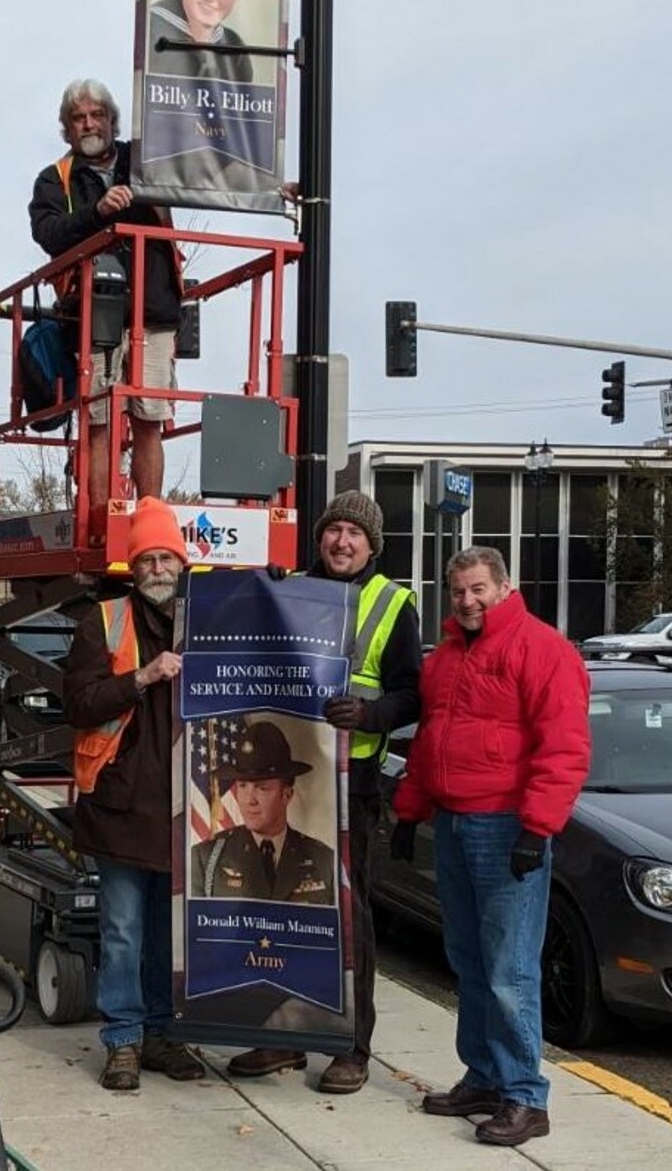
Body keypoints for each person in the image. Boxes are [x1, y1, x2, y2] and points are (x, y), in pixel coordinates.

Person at [390, 547, 590, 1148]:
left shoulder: (543, 650)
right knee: (469, 962)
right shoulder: (446, 658)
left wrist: (538, 828)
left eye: (478, 589)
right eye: (458, 591)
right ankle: (482, 1077)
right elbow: (430, 742)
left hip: (506, 829)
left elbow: (565, 747)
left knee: (509, 971)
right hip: (453, 825)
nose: (468, 601)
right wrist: (410, 811)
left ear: (505, 587)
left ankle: (525, 1095)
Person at [227, 491, 422, 1095]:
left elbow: (413, 694)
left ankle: (350, 1046)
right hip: (292, 776)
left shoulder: (393, 603)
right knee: (281, 911)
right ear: (320, 538)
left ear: (372, 544)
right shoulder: (291, 591)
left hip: (352, 784)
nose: (342, 541)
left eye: (354, 533)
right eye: (333, 530)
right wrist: (263, 595)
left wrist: (368, 714)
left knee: (348, 916)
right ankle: (286, 1036)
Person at [61, 496, 204, 1092]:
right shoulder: (104, 620)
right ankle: (123, 1040)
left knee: (167, 934)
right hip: (121, 805)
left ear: (181, 560)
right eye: (146, 559)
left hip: (186, 806)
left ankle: (164, 1034)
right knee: (122, 928)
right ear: (132, 566)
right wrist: (142, 677)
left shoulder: (207, 618)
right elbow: (79, 703)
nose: (157, 569)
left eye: (166, 557)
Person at [29, 79, 182, 512]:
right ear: (66, 129)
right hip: (94, 316)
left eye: (97, 115)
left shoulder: (146, 160)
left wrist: (268, 189)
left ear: (113, 121)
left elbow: (203, 174)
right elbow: (48, 233)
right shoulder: (54, 180)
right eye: (78, 118)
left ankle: (150, 516)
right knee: (97, 421)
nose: (89, 124)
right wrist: (97, 214)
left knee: (150, 417)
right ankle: (99, 519)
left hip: (153, 309)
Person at [191, 719, 335, 904]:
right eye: (242, 786)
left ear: (287, 794)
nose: (250, 800)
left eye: (262, 788)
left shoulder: (323, 860)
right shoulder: (207, 859)